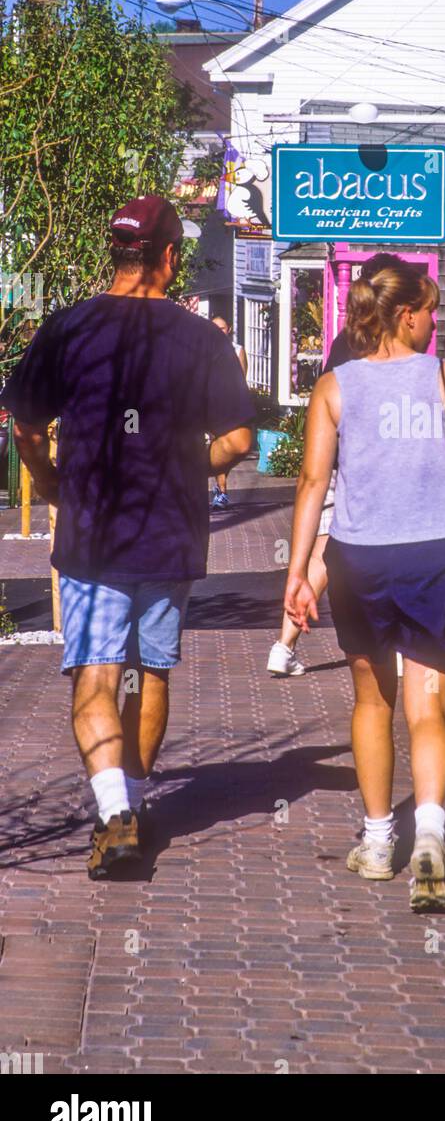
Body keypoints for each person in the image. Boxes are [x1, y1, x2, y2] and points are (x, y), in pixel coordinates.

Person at [0, 195, 255, 879]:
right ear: (169, 258)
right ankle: (133, 807)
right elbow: (238, 440)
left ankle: (112, 813)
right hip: (171, 530)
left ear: (116, 254)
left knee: (97, 674)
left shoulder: (68, 329)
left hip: (93, 529)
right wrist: (187, 464)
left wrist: (52, 483)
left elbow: (22, 424)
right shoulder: (201, 339)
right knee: (149, 671)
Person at [283, 264, 445, 911]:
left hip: (360, 558)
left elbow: (313, 485)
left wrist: (297, 571)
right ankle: (431, 839)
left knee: (372, 703)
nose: (437, 321)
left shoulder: (333, 386)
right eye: (431, 309)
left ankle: (377, 843)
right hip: (437, 554)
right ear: (407, 315)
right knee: (428, 709)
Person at [266, 251, 410, 678]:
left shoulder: (344, 342)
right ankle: (400, 645)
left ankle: (283, 645)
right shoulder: (396, 349)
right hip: (377, 463)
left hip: (338, 459)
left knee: (325, 551)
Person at [210, 316, 249, 509]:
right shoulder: (205, 349)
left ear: (230, 329)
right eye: (215, 327)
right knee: (218, 444)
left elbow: (241, 378)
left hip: (231, 404)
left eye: (222, 328)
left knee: (230, 446)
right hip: (211, 403)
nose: (218, 331)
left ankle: (221, 489)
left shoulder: (237, 349)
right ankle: (221, 489)